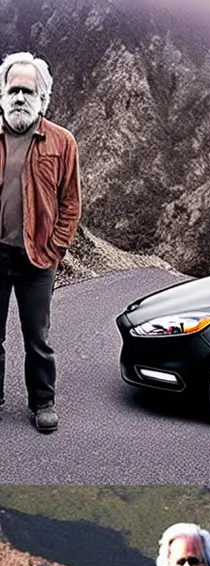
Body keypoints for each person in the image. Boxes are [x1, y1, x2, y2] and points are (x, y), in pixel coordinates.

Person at [0, 52, 80, 434]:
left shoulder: (62, 142)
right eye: (12, 88)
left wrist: (54, 251)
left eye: (27, 90)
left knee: (38, 339)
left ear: (42, 97)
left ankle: (42, 402)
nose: (18, 97)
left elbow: (71, 203)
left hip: (37, 259)